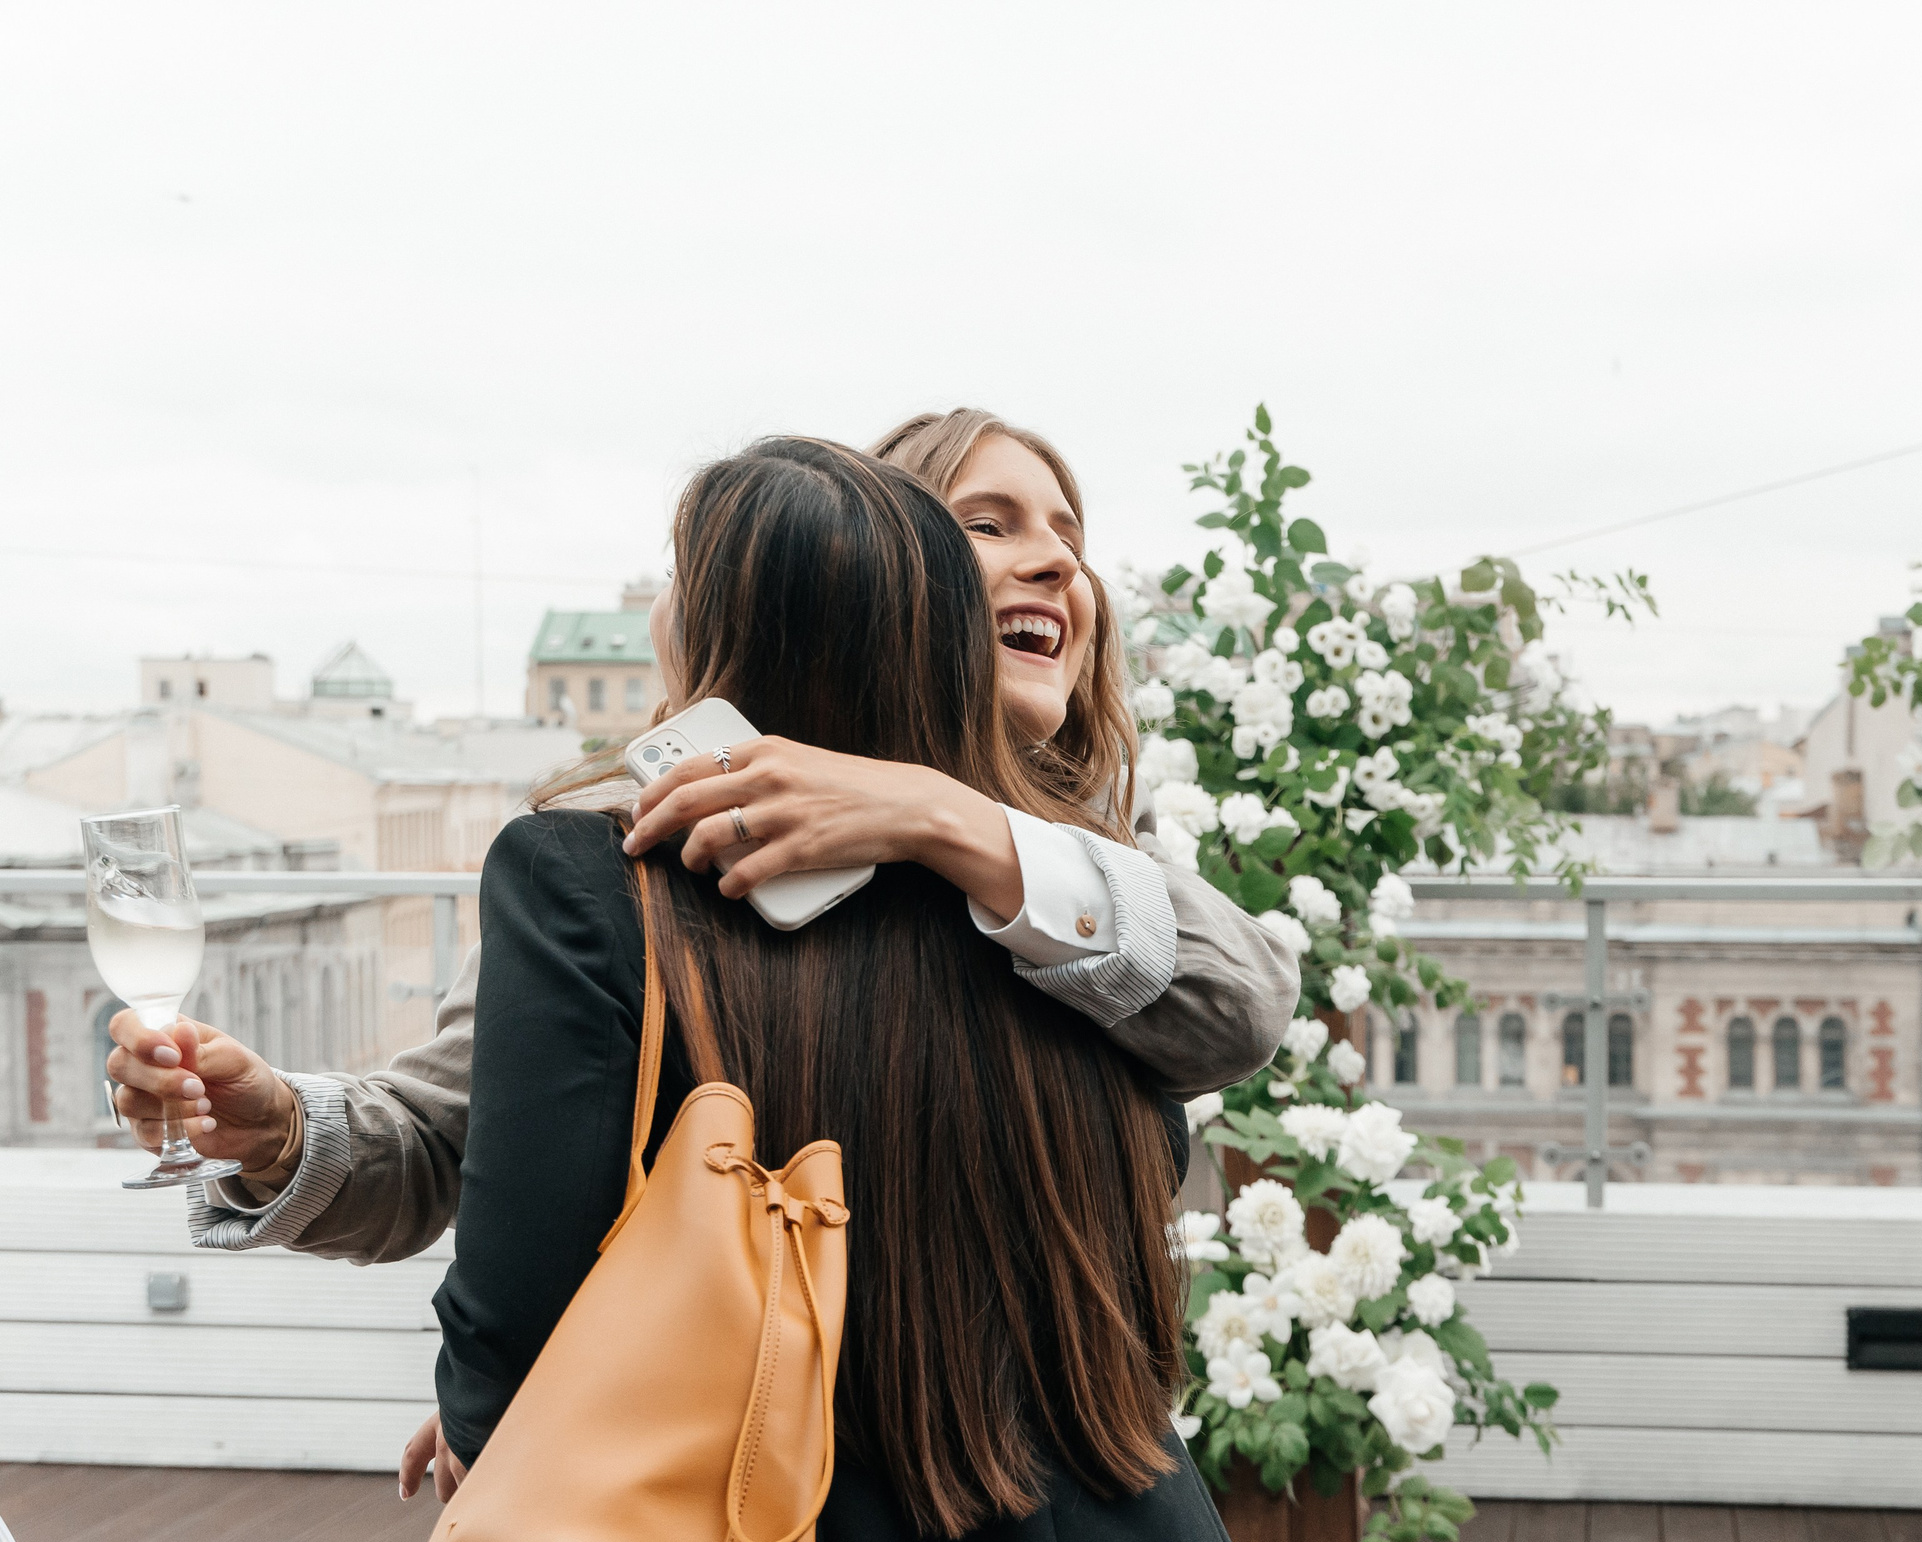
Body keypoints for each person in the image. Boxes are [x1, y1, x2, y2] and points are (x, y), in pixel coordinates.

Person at [434, 436, 1274, 1542]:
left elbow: (517, 1300)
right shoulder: (1052, 903)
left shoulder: (592, 881)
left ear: (714, 625)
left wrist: (498, 1422)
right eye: (990, 525)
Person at [107, 409, 1292, 1267]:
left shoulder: (1075, 860)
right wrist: (278, 1128)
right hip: (750, 1516)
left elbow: (1238, 1013)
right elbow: (449, 1143)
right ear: (878, 576)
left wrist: (950, 820)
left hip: (1062, 1490)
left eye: (1068, 534)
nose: (1058, 561)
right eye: (987, 523)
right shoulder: (645, 842)